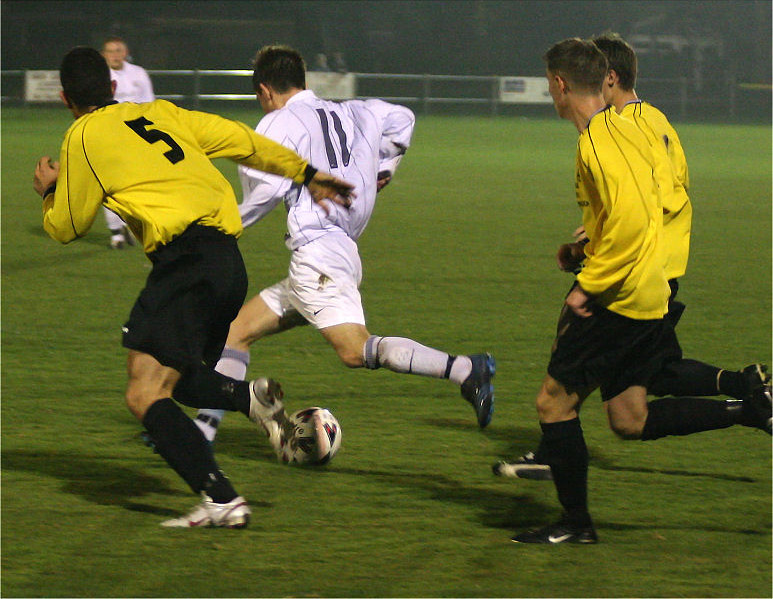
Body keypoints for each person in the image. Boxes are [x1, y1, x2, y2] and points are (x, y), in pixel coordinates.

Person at [32, 46, 353, 529]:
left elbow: (68, 225)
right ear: (114, 88)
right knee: (170, 375)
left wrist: (52, 191)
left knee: (144, 393)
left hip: (186, 263)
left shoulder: (81, 137)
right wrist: (307, 174)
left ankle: (222, 500)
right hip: (227, 262)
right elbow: (241, 139)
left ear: (64, 98)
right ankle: (249, 401)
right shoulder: (160, 113)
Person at [507, 38, 770, 545]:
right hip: (648, 287)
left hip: (620, 295)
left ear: (561, 85)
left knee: (553, 404)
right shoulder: (622, 127)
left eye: (549, 85)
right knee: (629, 417)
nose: (551, 94)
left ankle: (574, 524)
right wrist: (585, 247)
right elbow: (643, 207)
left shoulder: (598, 141)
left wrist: (591, 286)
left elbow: (634, 219)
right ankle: (750, 404)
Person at [191, 45, 495, 455]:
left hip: (318, 255)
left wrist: (219, 231)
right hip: (339, 252)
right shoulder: (355, 111)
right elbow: (404, 118)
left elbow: (266, 190)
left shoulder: (278, 122)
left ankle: (464, 369)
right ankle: (202, 434)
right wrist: (384, 168)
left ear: (264, 90)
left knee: (355, 350)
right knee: (237, 331)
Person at [101, 36, 155, 249]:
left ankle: (128, 225)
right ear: (104, 54)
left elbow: (150, 104)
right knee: (110, 185)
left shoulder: (138, 73)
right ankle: (116, 233)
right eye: (110, 51)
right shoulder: (99, 76)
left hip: (136, 137)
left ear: (125, 53)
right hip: (109, 137)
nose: (114, 55)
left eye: (118, 50)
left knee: (136, 185)